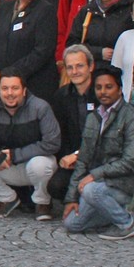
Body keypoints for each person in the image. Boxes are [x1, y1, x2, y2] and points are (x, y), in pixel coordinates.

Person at [63, 66, 134, 240]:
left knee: (91, 190)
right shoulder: (93, 117)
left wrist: (94, 175)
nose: (103, 92)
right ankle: (117, 212)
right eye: (98, 87)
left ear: (119, 89)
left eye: (109, 87)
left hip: (131, 182)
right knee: (72, 224)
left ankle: (126, 224)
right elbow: (83, 160)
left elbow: (132, 161)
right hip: (102, 182)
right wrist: (71, 198)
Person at [0, 72, 61, 219]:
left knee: (40, 165)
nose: (10, 93)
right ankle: (7, 199)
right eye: (5, 88)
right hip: (5, 164)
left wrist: (15, 154)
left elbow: (52, 142)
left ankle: (43, 202)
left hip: (35, 164)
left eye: (15, 88)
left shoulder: (41, 107)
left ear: (24, 90)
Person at [0, 0, 59, 107]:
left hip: (34, 87)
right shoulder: (3, 8)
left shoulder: (45, 10)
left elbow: (42, 51)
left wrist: (10, 75)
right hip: (3, 85)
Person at [47, 45, 99, 213]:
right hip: (74, 161)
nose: (75, 71)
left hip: (102, 159)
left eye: (80, 66)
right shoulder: (61, 96)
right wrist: (66, 158)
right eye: (70, 67)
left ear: (91, 66)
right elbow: (60, 135)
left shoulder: (103, 93)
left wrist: (79, 155)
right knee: (55, 186)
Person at [66, 0, 133, 64]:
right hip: (92, 68)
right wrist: (98, 52)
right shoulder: (86, 11)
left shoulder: (129, 10)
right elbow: (72, 44)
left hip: (121, 67)